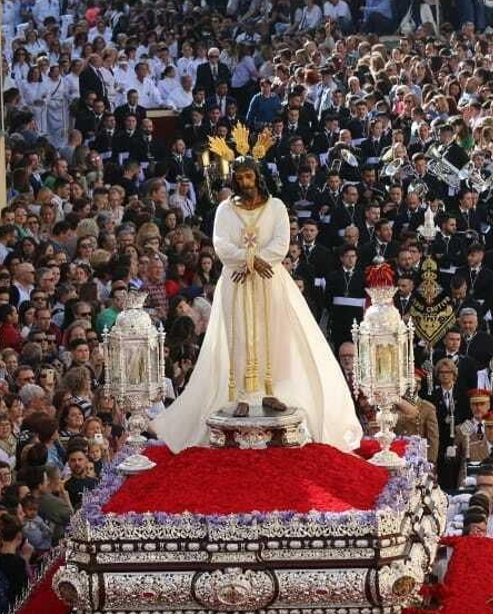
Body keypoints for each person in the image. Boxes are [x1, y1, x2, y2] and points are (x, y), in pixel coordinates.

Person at [151, 145, 361, 453]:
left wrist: (257, 261)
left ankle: (270, 391)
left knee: (274, 336)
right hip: (236, 282)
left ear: (257, 177)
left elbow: (281, 242)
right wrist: (248, 261)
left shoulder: (275, 206)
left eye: (250, 176)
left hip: (270, 282)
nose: (245, 183)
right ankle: (240, 397)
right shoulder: (225, 209)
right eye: (240, 178)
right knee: (237, 338)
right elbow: (221, 243)